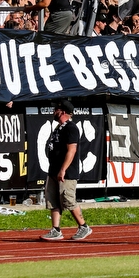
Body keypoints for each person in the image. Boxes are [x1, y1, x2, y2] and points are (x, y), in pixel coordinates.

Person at [40, 99, 91, 241]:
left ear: (62, 112)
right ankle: (56, 230)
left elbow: (72, 150)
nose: (53, 111)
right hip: (53, 170)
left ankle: (84, 226)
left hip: (66, 172)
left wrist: (63, 169)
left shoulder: (71, 128)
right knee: (53, 201)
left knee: (68, 200)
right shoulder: (59, 128)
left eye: (55, 109)